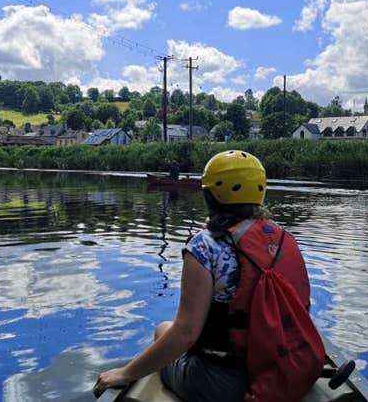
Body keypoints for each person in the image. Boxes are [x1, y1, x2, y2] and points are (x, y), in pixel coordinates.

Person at [94, 150, 315, 401]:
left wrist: (125, 373)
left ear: (209, 195)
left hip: (226, 384)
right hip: (288, 367)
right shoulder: (283, 238)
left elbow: (186, 334)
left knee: (162, 329)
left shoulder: (203, 246)